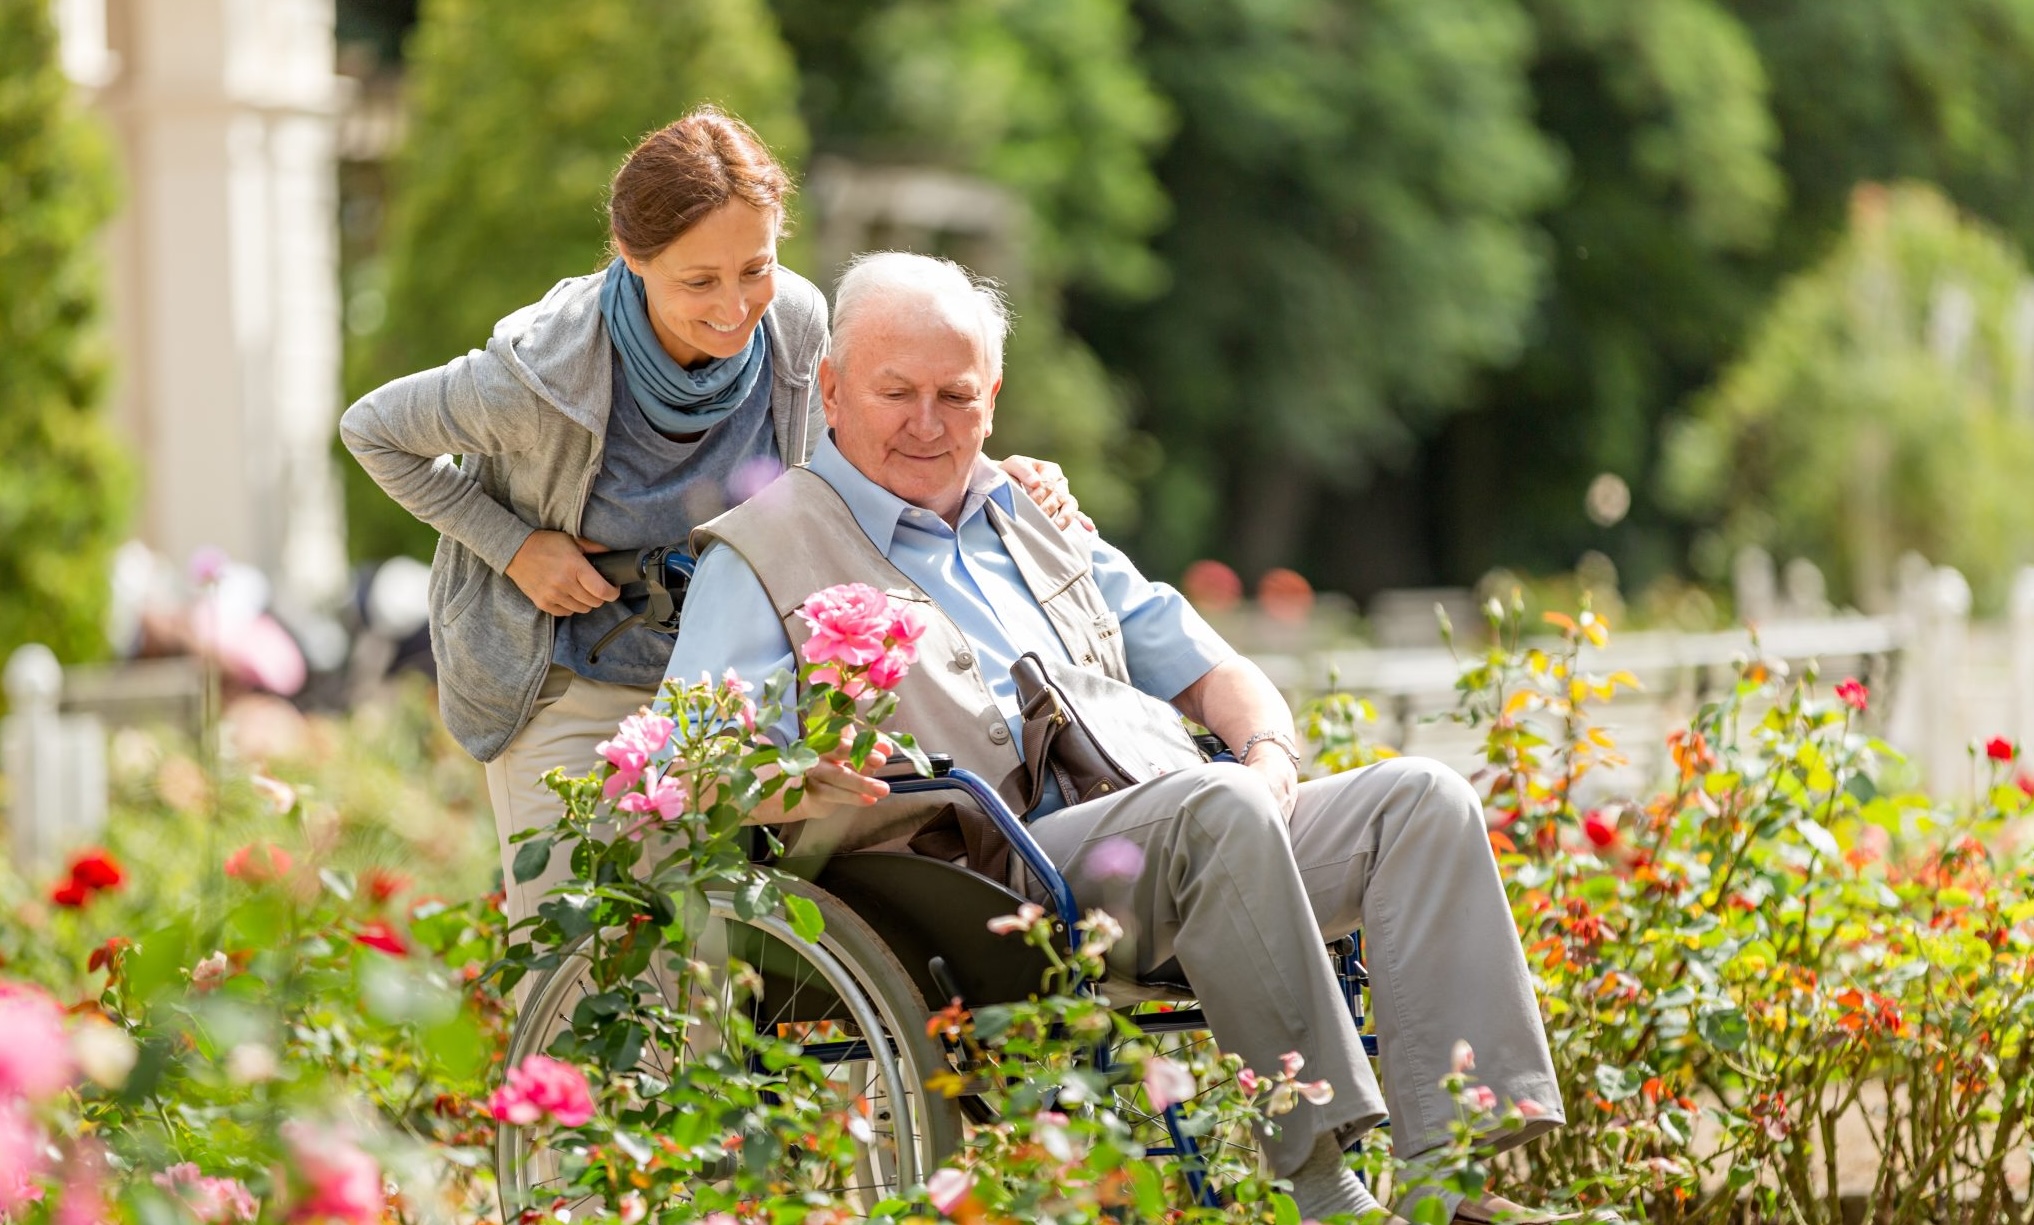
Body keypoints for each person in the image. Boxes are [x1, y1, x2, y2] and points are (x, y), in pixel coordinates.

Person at [667, 251, 1568, 1223]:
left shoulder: (1036, 517)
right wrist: (806, 780)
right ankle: (1326, 1192)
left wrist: (1267, 753)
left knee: (1421, 801)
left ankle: (1450, 1186)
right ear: (834, 390)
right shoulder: (764, 550)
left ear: (995, 397)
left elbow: (1220, 671)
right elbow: (700, 767)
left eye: (956, 395)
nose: (928, 423)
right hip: (978, 884)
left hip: (1174, 835)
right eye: (897, 392)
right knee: (1215, 805)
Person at [340, 109, 1086, 926]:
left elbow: (863, 449)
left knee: (712, 968)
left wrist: (989, 473)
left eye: (754, 268)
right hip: (571, 681)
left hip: (726, 683)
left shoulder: (794, 322)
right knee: (583, 956)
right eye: (699, 281)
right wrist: (514, 547)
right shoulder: (542, 373)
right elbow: (372, 430)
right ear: (632, 258)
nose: (735, 308)